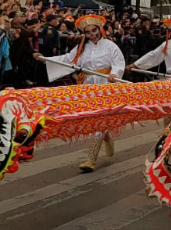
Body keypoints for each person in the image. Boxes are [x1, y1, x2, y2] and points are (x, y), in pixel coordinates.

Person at [36, 14, 126, 172]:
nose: (92, 35)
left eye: (94, 31)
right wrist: (46, 59)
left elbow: (119, 63)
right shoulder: (82, 47)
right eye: (88, 32)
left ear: (100, 30)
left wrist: (115, 74)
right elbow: (67, 59)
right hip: (88, 85)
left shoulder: (111, 46)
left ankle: (91, 159)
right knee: (92, 118)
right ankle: (107, 136)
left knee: (100, 118)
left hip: (105, 85)